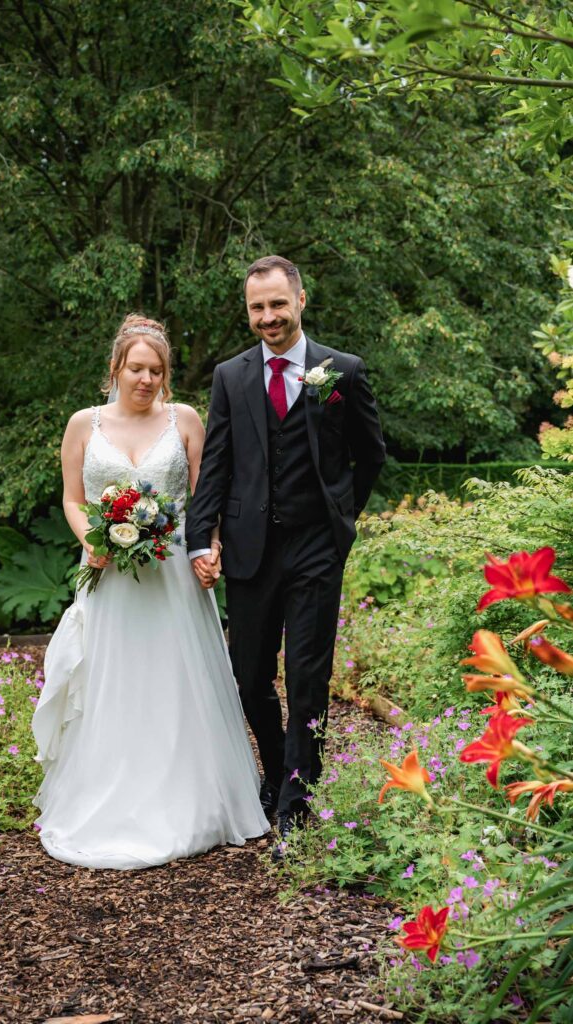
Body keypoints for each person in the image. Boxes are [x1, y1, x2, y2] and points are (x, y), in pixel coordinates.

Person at [31, 314, 269, 869]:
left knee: (174, 682)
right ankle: (110, 798)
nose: (145, 379)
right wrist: (90, 537)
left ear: (166, 376)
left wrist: (210, 550)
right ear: (116, 367)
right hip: (110, 572)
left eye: (156, 371)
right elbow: (71, 498)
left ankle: (188, 800)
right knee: (116, 683)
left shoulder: (184, 419)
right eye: (136, 368)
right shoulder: (82, 425)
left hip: (174, 576)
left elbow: (208, 495)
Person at [186, 256, 386, 860]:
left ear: (300, 300)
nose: (268, 317)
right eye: (257, 307)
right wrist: (202, 537)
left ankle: (297, 805)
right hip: (249, 551)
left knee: (306, 678)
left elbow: (370, 454)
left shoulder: (341, 372)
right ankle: (278, 772)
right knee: (248, 677)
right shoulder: (231, 376)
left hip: (316, 549)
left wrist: (339, 519)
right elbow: (216, 462)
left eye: (277, 304)